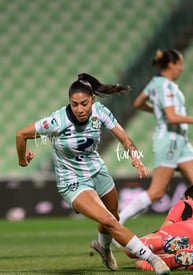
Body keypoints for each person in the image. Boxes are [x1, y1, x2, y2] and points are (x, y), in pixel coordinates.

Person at [16, 73, 170, 274]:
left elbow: (124, 138)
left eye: (84, 103)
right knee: (109, 221)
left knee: (112, 217)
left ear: (93, 100)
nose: (80, 109)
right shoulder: (56, 121)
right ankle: (154, 260)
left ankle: (102, 247)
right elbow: (21, 134)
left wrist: (135, 157)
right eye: (74, 104)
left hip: (98, 172)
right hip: (73, 182)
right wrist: (22, 160)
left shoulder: (100, 111)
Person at [117, 49, 193, 242]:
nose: (182, 69)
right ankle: (118, 222)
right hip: (168, 141)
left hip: (181, 142)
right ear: (172, 64)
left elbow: (138, 103)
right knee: (157, 191)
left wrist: (157, 111)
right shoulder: (166, 86)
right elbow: (173, 117)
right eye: (180, 64)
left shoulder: (155, 83)